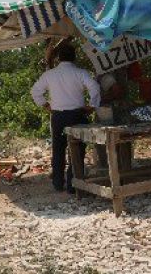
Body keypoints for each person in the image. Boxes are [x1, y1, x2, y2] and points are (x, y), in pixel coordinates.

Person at [31, 43, 101, 193]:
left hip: (58, 116)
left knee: (58, 149)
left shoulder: (49, 75)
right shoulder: (81, 73)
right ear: (74, 57)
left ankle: (57, 183)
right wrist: (92, 105)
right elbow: (95, 87)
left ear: (58, 59)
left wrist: (46, 106)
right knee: (77, 150)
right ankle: (73, 184)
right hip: (77, 115)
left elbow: (35, 91)